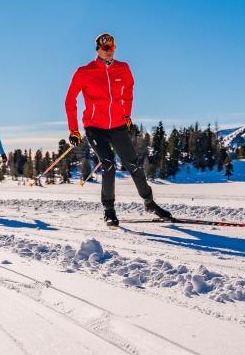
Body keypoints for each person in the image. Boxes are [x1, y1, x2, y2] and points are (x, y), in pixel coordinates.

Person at [65, 33, 171, 227]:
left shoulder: (123, 68)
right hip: (95, 127)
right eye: (105, 48)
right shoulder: (84, 72)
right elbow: (70, 100)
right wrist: (74, 130)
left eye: (112, 48)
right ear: (97, 49)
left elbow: (129, 91)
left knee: (133, 164)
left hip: (117, 125)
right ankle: (109, 210)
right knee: (108, 164)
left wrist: (127, 116)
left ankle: (149, 203)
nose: (109, 51)